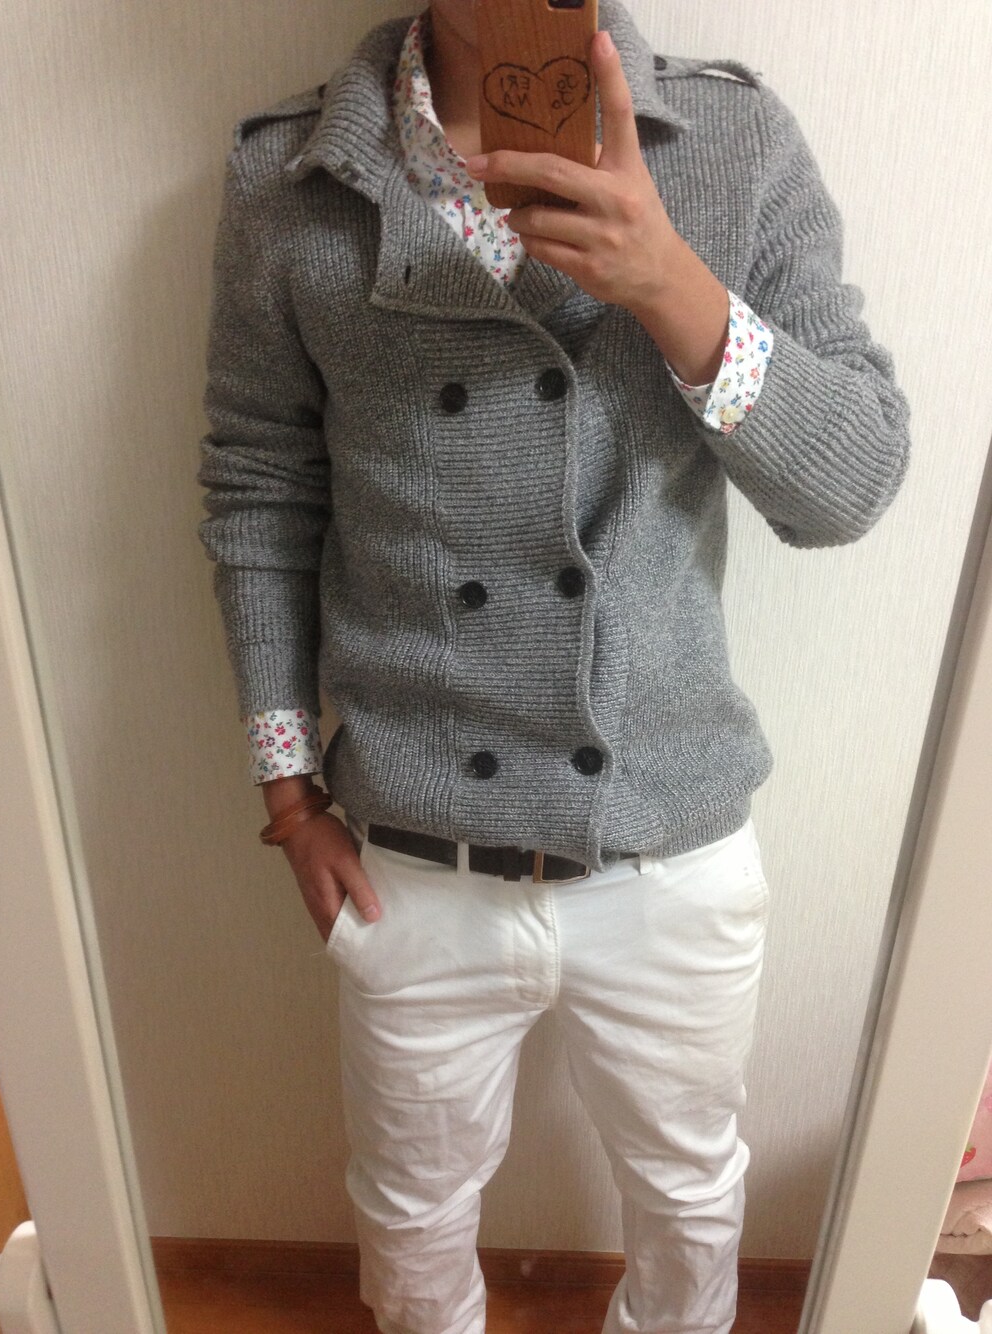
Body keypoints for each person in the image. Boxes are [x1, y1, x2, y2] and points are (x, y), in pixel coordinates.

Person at [196, 1, 911, 1330]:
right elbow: (260, 489)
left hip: (669, 839)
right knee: (411, 1209)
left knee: (689, 1199)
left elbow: (854, 481)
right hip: (412, 853)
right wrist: (289, 796)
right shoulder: (298, 177)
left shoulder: (729, 144)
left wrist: (672, 283)